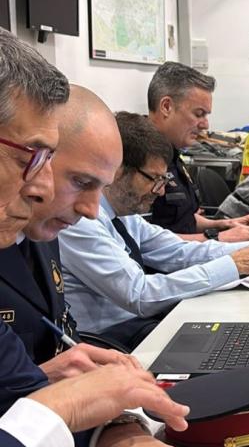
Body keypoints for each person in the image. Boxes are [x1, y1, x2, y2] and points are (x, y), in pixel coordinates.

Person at [0, 28, 187, 447]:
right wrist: (67, 405)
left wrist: (116, 427)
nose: (41, 187)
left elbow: (22, 387)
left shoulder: (35, 233)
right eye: (30, 157)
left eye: (46, 161)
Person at [59, 112, 249, 350]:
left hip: (140, 325)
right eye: (154, 179)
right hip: (112, 341)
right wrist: (235, 264)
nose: (161, 191)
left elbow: (177, 251)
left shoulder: (124, 214)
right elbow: (139, 295)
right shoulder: (80, 222)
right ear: (118, 170)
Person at [0, 85, 143, 381]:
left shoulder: (44, 233)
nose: (91, 210)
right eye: (81, 182)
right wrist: (44, 381)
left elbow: (59, 327)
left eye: (101, 188)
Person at [147, 61, 249, 242]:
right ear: (166, 107)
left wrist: (226, 224)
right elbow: (147, 242)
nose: (205, 124)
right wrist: (217, 237)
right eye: (199, 114)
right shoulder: (138, 160)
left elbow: (181, 220)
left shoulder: (171, 153)